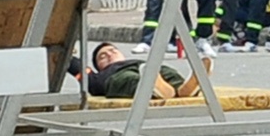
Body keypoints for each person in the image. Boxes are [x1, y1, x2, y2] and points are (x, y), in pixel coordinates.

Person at [72, 43, 210, 101]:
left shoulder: (135, 61)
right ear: (98, 66)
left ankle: (183, 88)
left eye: (113, 50)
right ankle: (153, 88)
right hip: (118, 76)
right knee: (130, 79)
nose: (109, 54)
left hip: (145, 68)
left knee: (167, 72)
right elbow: (78, 69)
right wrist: (69, 55)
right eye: (102, 56)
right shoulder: (101, 76)